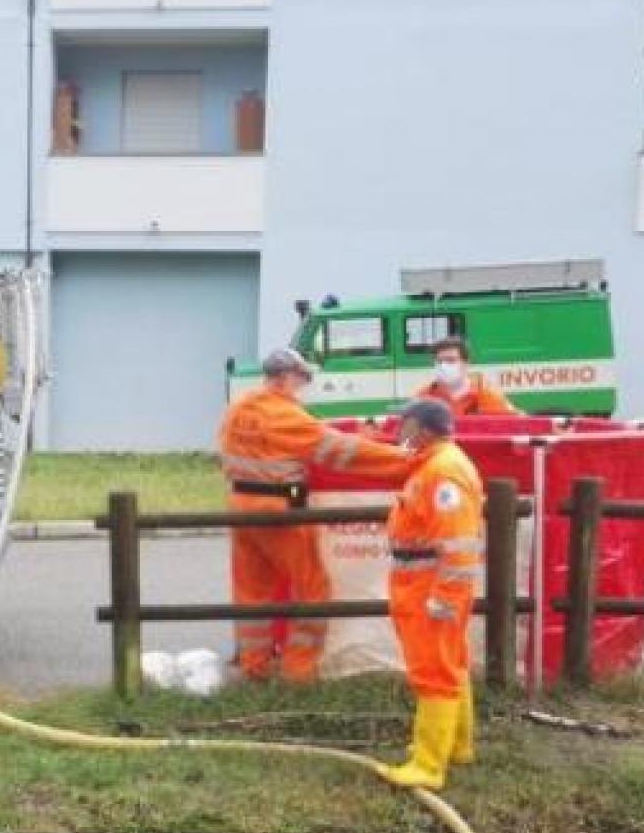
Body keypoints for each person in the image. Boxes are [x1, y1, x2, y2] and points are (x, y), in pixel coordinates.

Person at [219, 348, 410, 683]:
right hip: (279, 510)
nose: (304, 384)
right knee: (312, 590)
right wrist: (405, 461)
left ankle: (255, 669)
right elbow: (340, 451)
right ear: (284, 377)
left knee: (252, 594)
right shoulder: (283, 415)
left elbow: (288, 439)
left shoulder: (238, 409)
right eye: (302, 377)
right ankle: (299, 673)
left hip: (239, 507)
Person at [378, 398, 483, 791]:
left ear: (421, 429)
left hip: (429, 587)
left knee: (432, 671)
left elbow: (457, 543)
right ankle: (457, 746)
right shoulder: (438, 464)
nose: (398, 432)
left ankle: (428, 764)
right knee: (450, 664)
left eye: (403, 425)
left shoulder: (442, 472)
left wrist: (444, 597)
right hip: (427, 584)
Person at [417, 336, 521, 417]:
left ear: (466, 363)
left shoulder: (487, 393)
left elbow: (517, 423)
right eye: (439, 361)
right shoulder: (425, 396)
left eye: (450, 360)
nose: (444, 366)